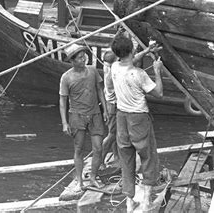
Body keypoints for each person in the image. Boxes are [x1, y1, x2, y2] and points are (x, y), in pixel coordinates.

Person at [108, 34, 163, 212]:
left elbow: (128, 61)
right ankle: (146, 201)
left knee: (127, 159)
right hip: (138, 118)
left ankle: (129, 201)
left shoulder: (114, 67)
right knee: (148, 156)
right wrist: (157, 70)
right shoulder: (140, 75)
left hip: (121, 116)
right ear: (131, 51)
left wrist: (146, 51)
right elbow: (159, 94)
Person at [59, 44, 108, 192]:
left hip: (95, 114)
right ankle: (79, 181)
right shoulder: (66, 77)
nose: (83, 59)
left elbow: (100, 90)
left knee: (98, 148)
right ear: (72, 61)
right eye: (80, 58)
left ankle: (93, 177)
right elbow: (62, 101)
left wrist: (105, 110)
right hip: (77, 116)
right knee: (79, 149)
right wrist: (64, 123)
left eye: (84, 56)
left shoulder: (92, 71)